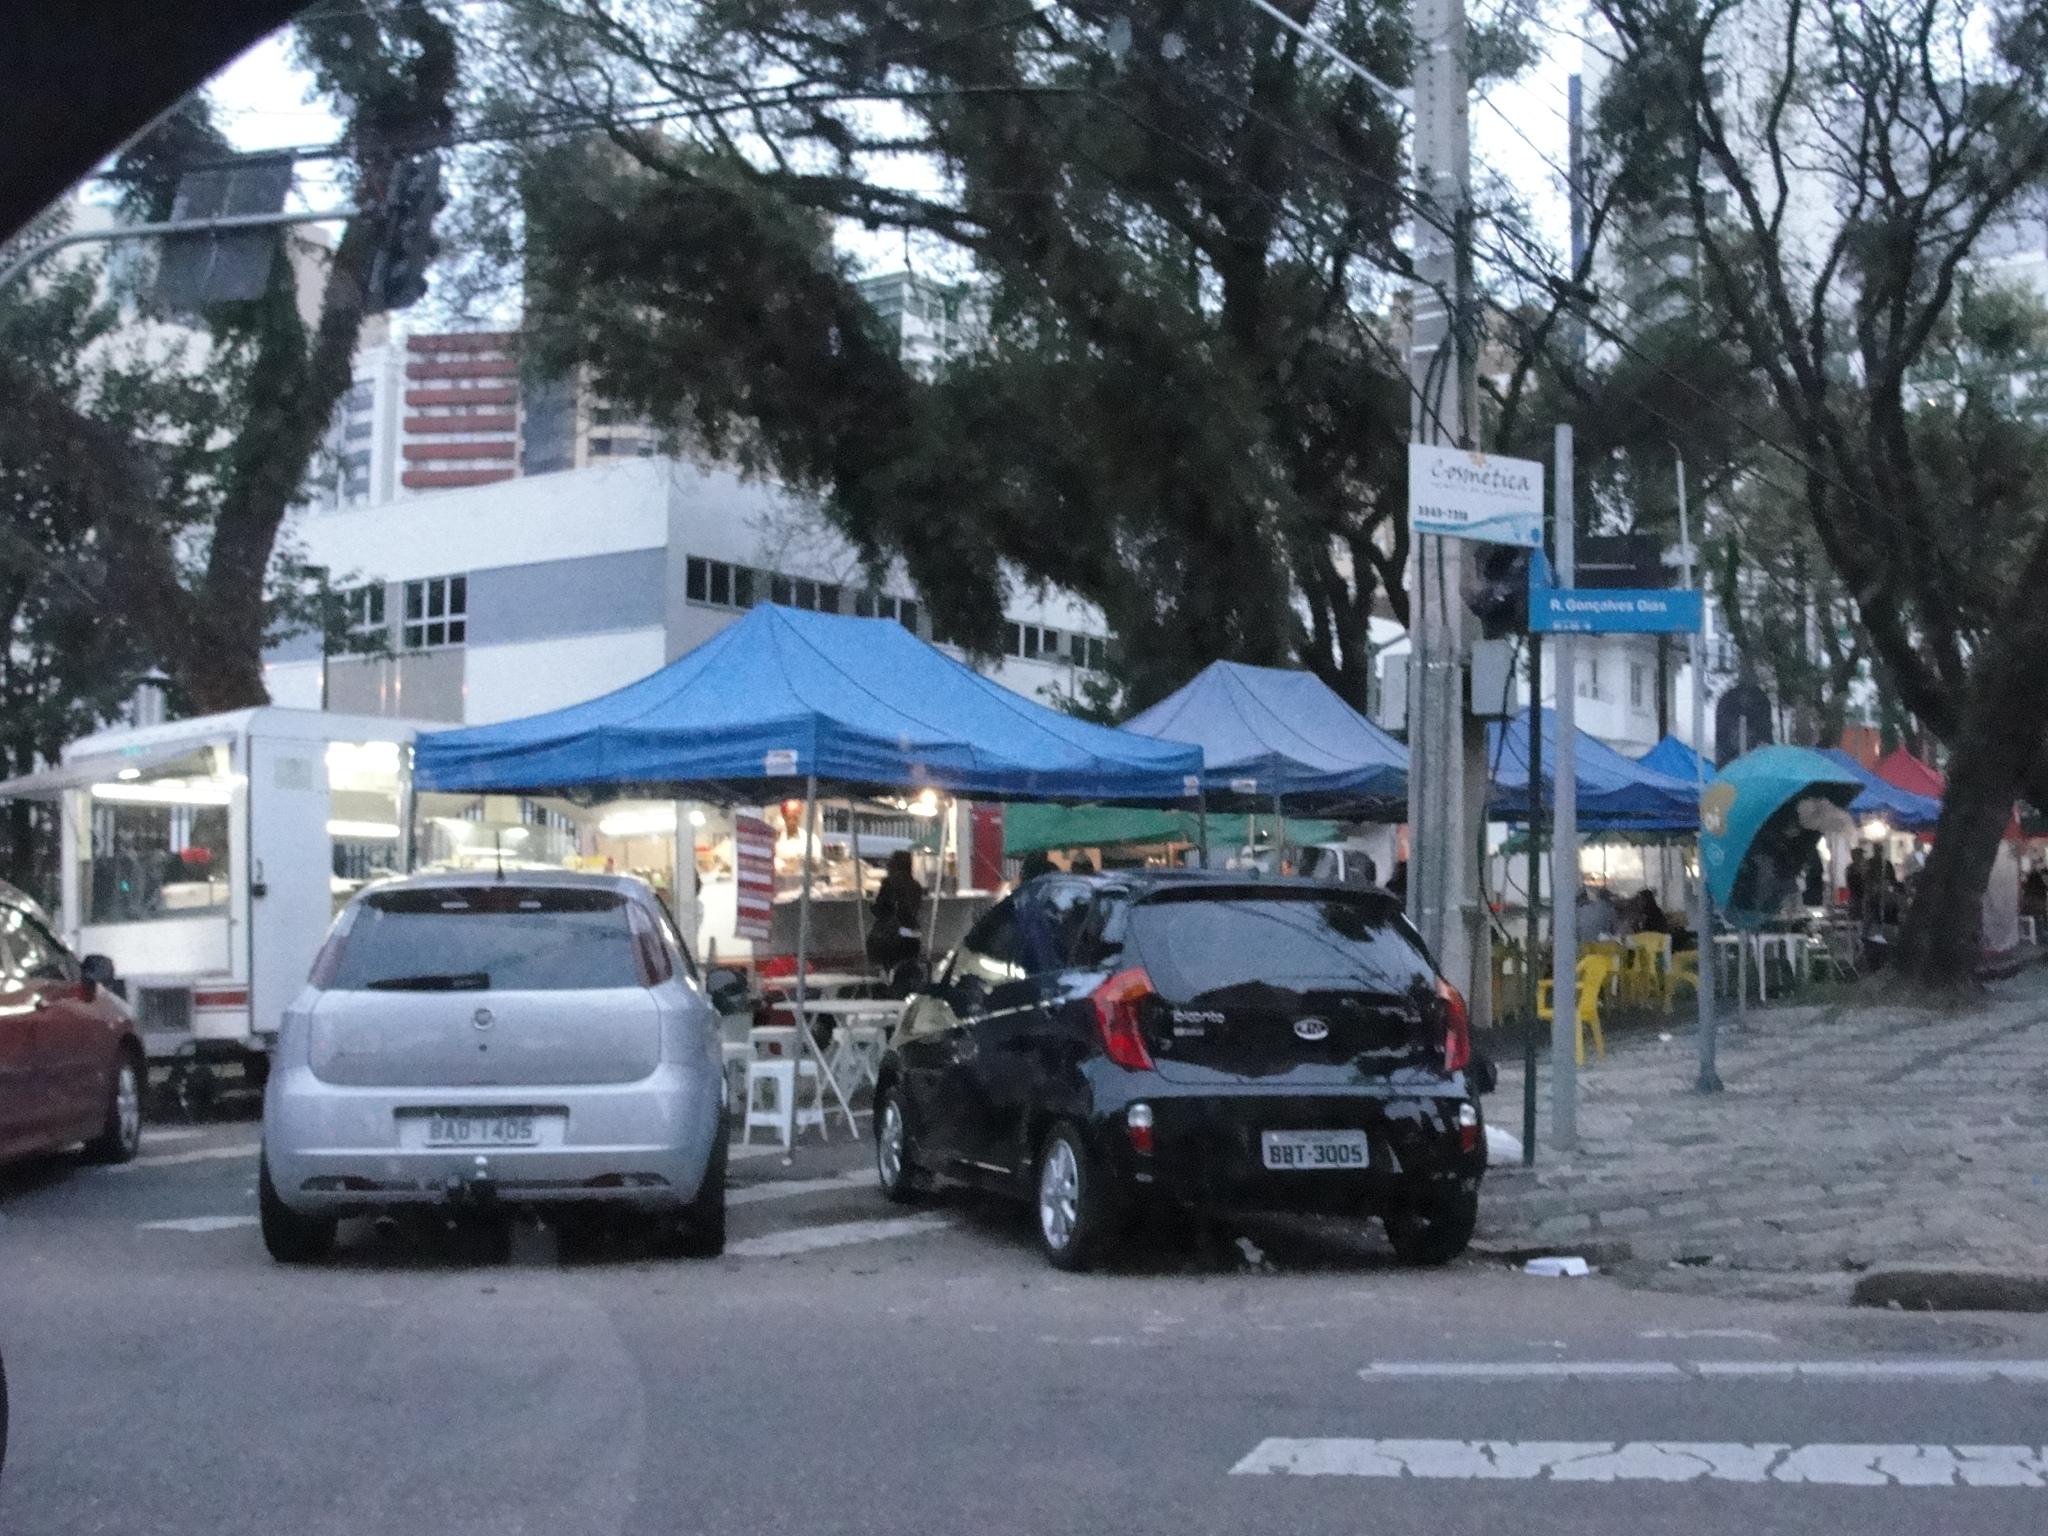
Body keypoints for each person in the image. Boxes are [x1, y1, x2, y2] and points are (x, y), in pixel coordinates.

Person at [866, 849, 925, 975]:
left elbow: (882, 909)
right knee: (908, 969)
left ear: (894, 865)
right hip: (913, 933)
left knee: (890, 966)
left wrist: (872, 907)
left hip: (894, 936)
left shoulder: (889, 883)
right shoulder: (916, 886)